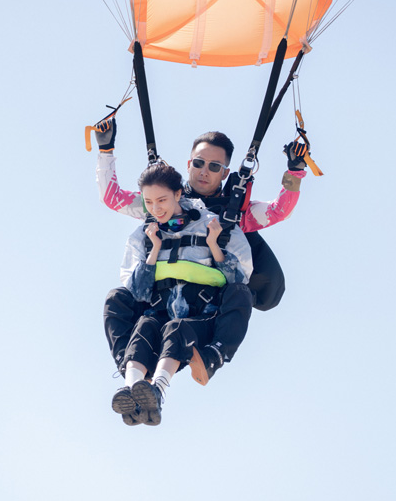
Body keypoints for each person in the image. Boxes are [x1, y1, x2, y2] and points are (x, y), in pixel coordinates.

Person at [96, 121, 306, 384]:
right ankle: (133, 371)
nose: (204, 172)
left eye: (214, 167)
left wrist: (295, 171)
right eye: (198, 163)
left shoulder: (233, 215)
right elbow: (112, 197)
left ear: (225, 173)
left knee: (238, 293)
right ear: (188, 165)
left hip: (202, 306)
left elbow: (279, 211)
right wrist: (105, 149)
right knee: (116, 299)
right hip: (158, 301)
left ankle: (211, 356)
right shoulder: (162, 202)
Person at [112, 161, 253, 426]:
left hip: (200, 319)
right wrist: (154, 249)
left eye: (162, 200)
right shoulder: (143, 235)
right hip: (159, 313)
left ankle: (163, 387)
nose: (156, 209)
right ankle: (132, 388)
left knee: (179, 327)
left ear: (178, 194)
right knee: (133, 315)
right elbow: (137, 293)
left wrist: (214, 245)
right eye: (149, 202)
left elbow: (238, 281)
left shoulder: (214, 225)